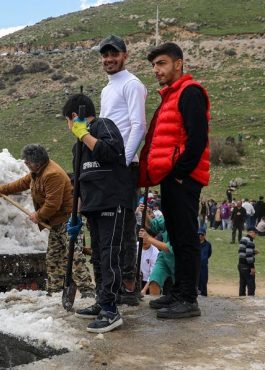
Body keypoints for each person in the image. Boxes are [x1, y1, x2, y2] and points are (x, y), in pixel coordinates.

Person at [138, 42, 210, 319]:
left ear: (178, 63)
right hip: (171, 177)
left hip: (183, 177)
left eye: (162, 63)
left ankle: (189, 298)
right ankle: (178, 291)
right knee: (177, 236)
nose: (156, 70)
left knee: (186, 236)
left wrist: (180, 174)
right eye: (154, 65)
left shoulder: (190, 92)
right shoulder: (171, 95)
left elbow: (197, 139)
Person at [63, 94, 134, 333]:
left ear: (74, 118)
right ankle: (102, 301)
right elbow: (79, 181)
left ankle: (111, 310)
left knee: (109, 254)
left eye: (68, 121)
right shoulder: (77, 146)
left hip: (111, 202)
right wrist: (76, 214)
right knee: (97, 257)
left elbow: (113, 152)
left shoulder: (104, 125)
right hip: (92, 206)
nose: (69, 128)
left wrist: (84, 134)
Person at [0, 144, 95, 297]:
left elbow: (53, 204)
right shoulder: (37, 172)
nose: (26, 165)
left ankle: (87, 291)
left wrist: (38, 216)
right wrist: (3, 189)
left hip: (68, 222)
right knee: (53, 257)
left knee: (74, 256)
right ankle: (55, 291)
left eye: (28, 162)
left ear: (37, 162)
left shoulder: (52, 174)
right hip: (55, 223)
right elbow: (23, 183)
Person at [98, 35, 147, 305]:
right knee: (111, 226)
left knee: (126, 225)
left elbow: (138, 125)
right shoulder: (107, 89)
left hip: (124, 166)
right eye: (105, 55)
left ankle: (129, 285)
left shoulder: (131, 84)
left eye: (114, 54)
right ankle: (114, 284)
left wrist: (123, 161)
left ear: (125, 55)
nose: (108, 59)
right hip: (109, 165)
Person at [238, 227, 258, 296]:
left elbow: (242, 252)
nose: (255, 235)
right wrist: (252, 267)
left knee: (242, 284)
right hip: (247, 265)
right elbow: (249, 256)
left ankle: (241, 299)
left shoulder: (243, 239)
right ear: (251, 232)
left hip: (240, 264)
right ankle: (251, 300)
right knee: (251, 284)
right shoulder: (250, 241)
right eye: (255, 233)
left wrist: (253, 252)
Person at [197, 227, 212, 297]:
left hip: (204, 266)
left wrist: (204, 259)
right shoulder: (194, 244)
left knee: (204, 280)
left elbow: (209, 253)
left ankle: (204, 294)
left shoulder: (208, 244)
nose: (200, 236)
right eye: (199, 234)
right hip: (196, 266)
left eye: (202, 234)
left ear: (205, 235)